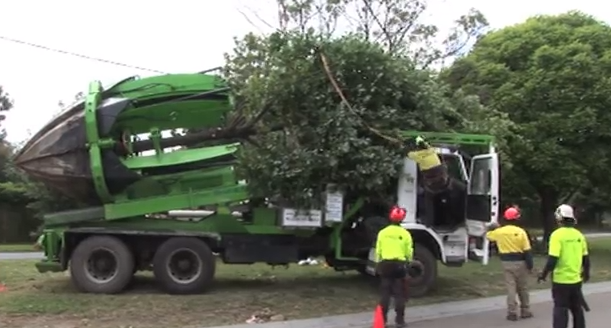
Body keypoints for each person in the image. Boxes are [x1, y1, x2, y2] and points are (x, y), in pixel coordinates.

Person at [537, 204, 589, 328]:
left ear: (559, 218)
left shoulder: (557, 235)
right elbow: (585, 258)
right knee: (577, 309)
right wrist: (586, 273)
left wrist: (543, 275)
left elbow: (553, 259)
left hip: (561, 280)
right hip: (576, 279)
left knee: (561, 308)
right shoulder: (578, 235)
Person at [486, 206, 534, 321]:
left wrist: (493, 227)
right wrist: (530, 265)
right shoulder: (521, 232)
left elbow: (488, 235)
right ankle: (525, 310)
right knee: (523, 288)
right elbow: (527, 251)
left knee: (511, 288)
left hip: (506, 262)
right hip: (521, 261)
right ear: (516, 219)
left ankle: (512, 312)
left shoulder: (500, 232)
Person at [375, 206, 414, 328]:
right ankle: (400, 321)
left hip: (385, 264)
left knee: (385, 294)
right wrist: (408, 263)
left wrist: (378, 264)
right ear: (402, 219)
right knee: (399, 294)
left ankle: (383, 321)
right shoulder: (406, 234)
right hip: (399, 266)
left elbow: (378, 251)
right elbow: (409, 252)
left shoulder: (382, 233)